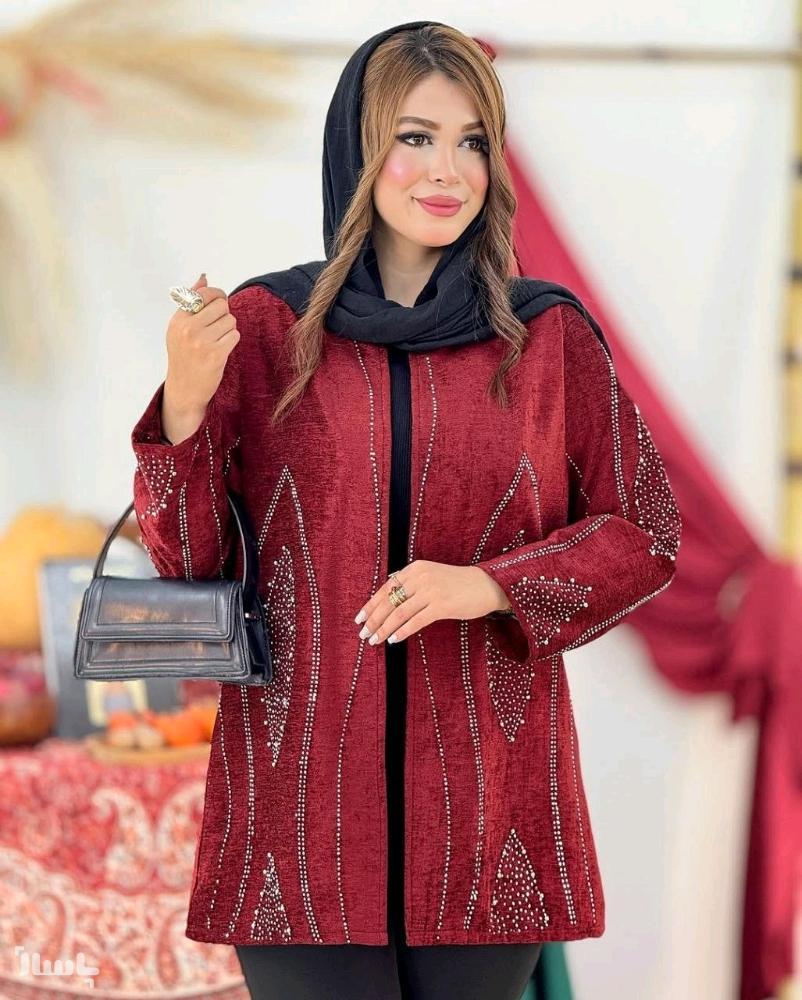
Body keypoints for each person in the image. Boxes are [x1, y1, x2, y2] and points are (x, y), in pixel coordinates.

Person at [129, 20, 682, 1000]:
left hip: (486, 816)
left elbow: (644, 531)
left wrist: (490, 585)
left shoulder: (543, 335)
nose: (446, 170)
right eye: (414, 136)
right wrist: (183, 403)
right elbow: (189, 566)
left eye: (472, 141)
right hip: (300, 819)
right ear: (358, 145)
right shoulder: (267, 329)